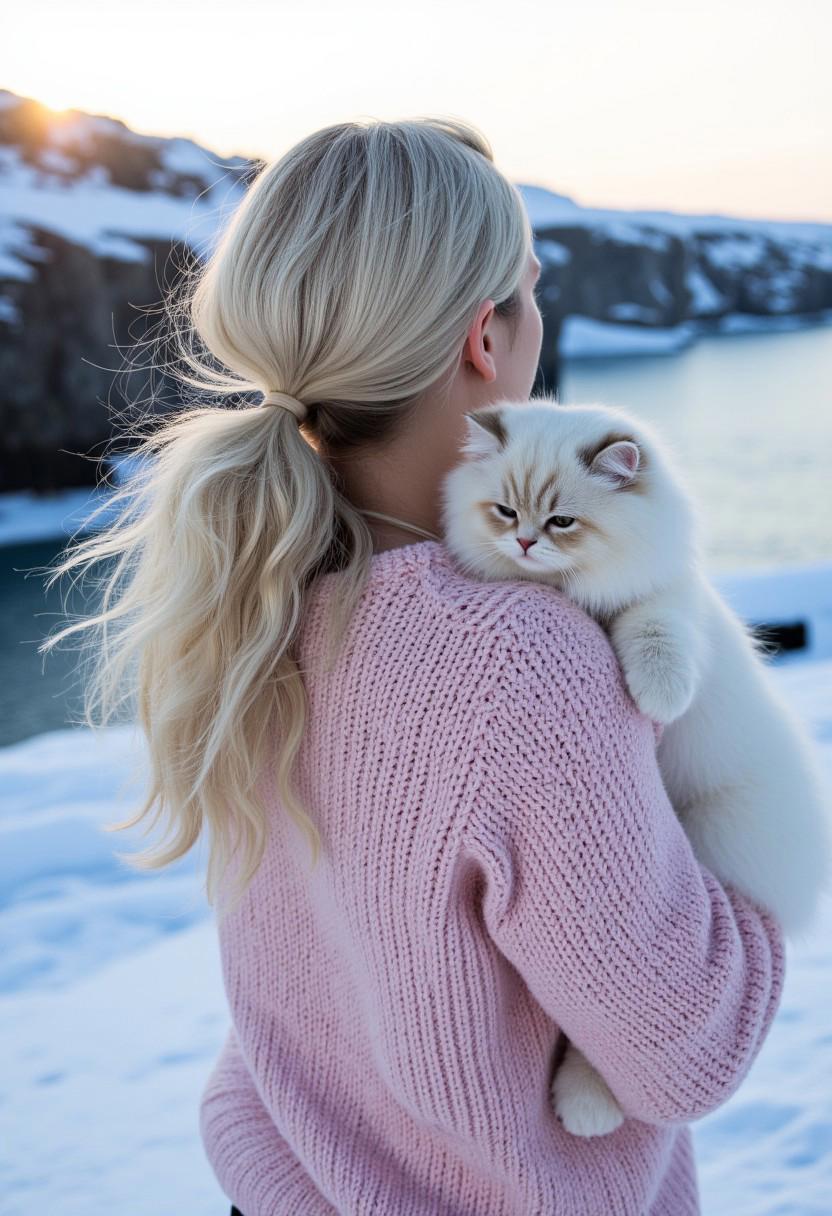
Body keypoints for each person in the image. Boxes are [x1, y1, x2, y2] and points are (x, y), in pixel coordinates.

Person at [41, 118, 785, 1215]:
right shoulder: (512, 659)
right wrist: (749, 833)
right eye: (530, 294)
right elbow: (686, 1052)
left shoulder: (255, 586)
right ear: (485, 336)